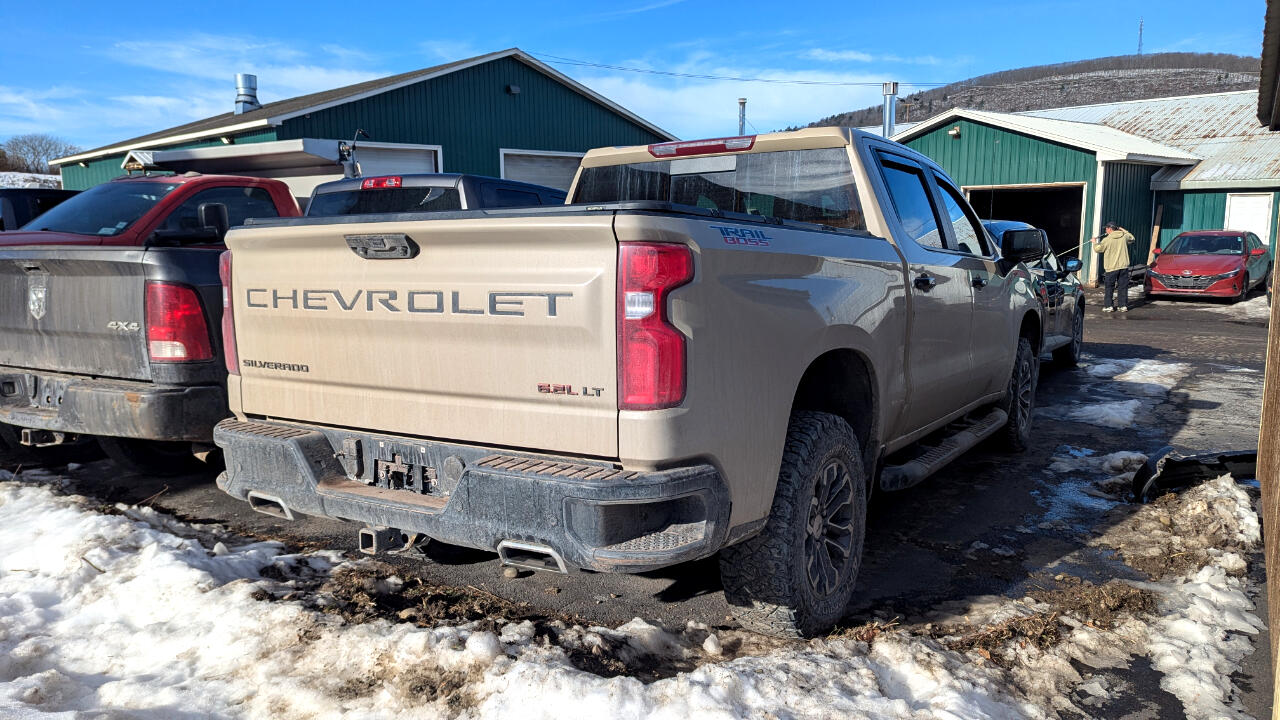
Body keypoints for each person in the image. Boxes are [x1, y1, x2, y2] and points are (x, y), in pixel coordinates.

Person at [1093, 221, 1136, 312]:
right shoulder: (1124, 236)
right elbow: (1132, 238)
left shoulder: (1107, 239)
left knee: (1109, 287)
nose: (1106, 230)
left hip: (1111, 267)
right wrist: (1123, 230)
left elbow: (1098, 249)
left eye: (1106, 228)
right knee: (1123, 287)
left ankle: (1109, 306)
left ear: (1110, 229)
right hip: (1123, 267)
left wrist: (1094, 242)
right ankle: (1122, 306)